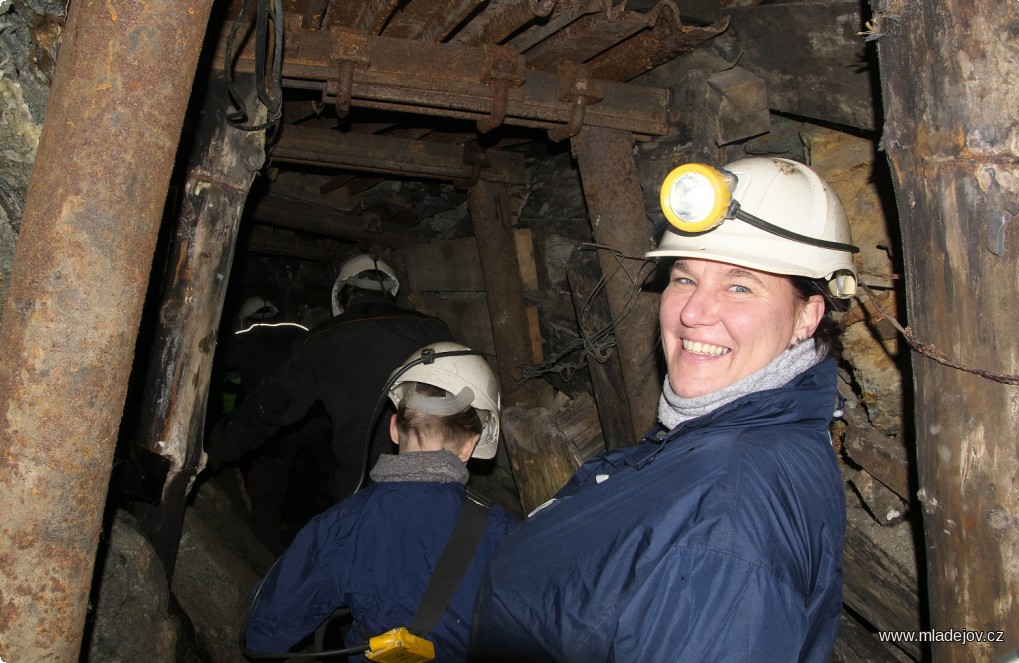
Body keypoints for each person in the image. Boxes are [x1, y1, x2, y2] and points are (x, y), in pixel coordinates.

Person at [469, 157, 858, 662]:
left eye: (740, 286)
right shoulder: (721, 439)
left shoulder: (731, 515)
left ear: (807, 316)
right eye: (684, 278)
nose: (693, 312)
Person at [242, 342, 518, 662]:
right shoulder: (504, 531)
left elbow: (263, 634)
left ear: (394, 430)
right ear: (472, 445)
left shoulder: (345, 525)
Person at [206, 253, 455, 501]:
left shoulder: (321, 340)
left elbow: (271, 406)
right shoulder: (433, 328)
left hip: (365, 483)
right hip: (439, 471)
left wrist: (214, 448)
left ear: (340, 295)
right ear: (391, 292)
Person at [212, 296, 334, 554]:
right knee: (334, 474)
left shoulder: (244, 337)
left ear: (246, 319)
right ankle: (336, 533)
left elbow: (212, 361)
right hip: (318, 420)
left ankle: (266, 554)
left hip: (276, 427)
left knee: (267, 492)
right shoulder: (300, 332)